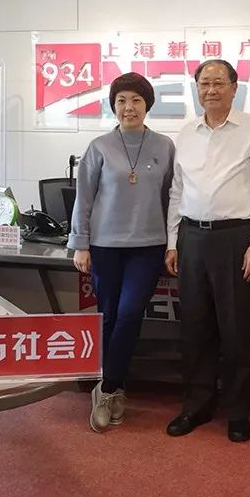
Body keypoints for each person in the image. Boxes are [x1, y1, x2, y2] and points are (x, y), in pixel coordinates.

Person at [164, 59, 250, 443]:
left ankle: (237, 412)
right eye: (204, 83)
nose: (210, 90)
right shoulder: (186, 132)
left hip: (235, 238)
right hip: (192, 238)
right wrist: (173, 241)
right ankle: (196, 405)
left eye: (218, 83)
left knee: (235, 330)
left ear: (234, 87)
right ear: (197, 88)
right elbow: (177, 190)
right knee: (195, 327)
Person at [69, 72, 175, 433]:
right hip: (105, 246)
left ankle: (107, 387)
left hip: (148, 246)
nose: (129, 107)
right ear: (113, 106)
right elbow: (84, 199)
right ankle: (113, 389)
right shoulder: (99, 146)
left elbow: (171, 199)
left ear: (147, 105)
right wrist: (81, 244)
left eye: (136, 100)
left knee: (130, 314)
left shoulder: (164, 146)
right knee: (109, 317)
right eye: (121, 101)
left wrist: (173, 243)